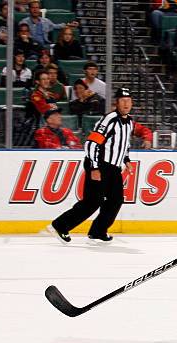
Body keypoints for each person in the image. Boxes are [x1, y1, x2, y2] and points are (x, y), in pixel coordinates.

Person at [47, 88, 135, 244]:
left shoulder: (129, 122)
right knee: (93, 201)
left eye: (128, 100)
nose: (126, 103)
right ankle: (60, 225)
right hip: (99, 165)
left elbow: (124, 143)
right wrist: (94, 168)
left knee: (116, 200)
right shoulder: (109, 120)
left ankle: (98, 231)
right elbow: (91, 144)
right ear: (117, 103)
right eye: (122, 100)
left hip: (113, 168)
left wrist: (126, 159)